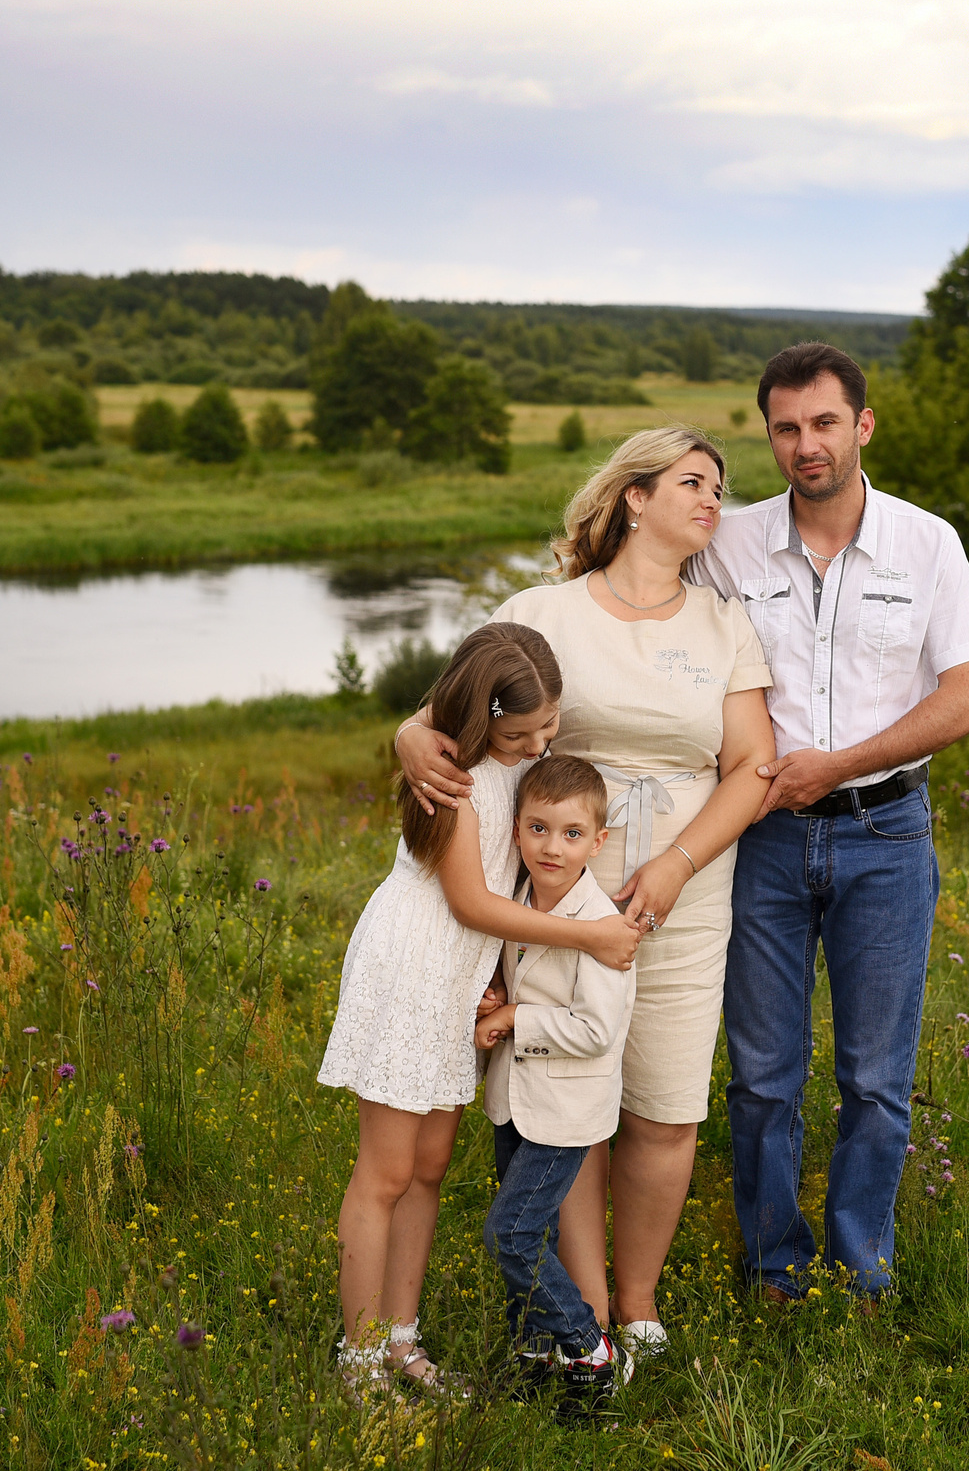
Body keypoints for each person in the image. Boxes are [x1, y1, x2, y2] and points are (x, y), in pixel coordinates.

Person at [396, 425, 775, 1356]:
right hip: (559, 894)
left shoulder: (723, 619)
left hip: (682, 892)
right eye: (694, 481)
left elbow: (754, 764)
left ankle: (639, 1309)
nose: (713, 501)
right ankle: (587, 1307)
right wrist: (410, 732)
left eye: (720, 489)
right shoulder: (550, 610)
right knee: (568, 1091)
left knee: (665, 1100)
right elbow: (461, 701)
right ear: (635, 496)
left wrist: (678, 863)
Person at [704, 341, 969, 1301]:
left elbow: (967, 700)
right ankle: (775, 1268)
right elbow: (621, 605)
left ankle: (863, 1267)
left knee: (876, 1077)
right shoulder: (729, 544)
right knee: (762, 1075)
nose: (806, 445)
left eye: (825, 422)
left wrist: (838, 764)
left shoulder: (927, 543)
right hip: (762, 840)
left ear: (862, 426)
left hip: (886, 836)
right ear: (770, 435)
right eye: (786, 428)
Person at [316, 624, 644, 1396]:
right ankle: (359, 1364)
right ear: (480, 716)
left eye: (550, 729)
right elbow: (470, 901)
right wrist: (590, 934)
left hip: (459, 976)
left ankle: (402, 1341)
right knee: (386, 1172)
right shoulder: (454, 776)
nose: (537, 746)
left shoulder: (501, 762)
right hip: (412, 966)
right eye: (519, 732)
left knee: (428, 1167)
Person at [475, 755, 638, 1405]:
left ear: (598, 841)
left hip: (566, 1109)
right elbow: (516, 965)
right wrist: (496, 994)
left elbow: (597, 1027)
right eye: (539, 828)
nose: (552, 846)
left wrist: (518, 1015)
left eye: (572, 833)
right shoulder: (519, 899)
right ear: (518, 830)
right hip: (514, 1098)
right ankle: (533, 1350)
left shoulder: (601, 924)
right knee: (532, 1234)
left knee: (510, 1234)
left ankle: (591, 1347)